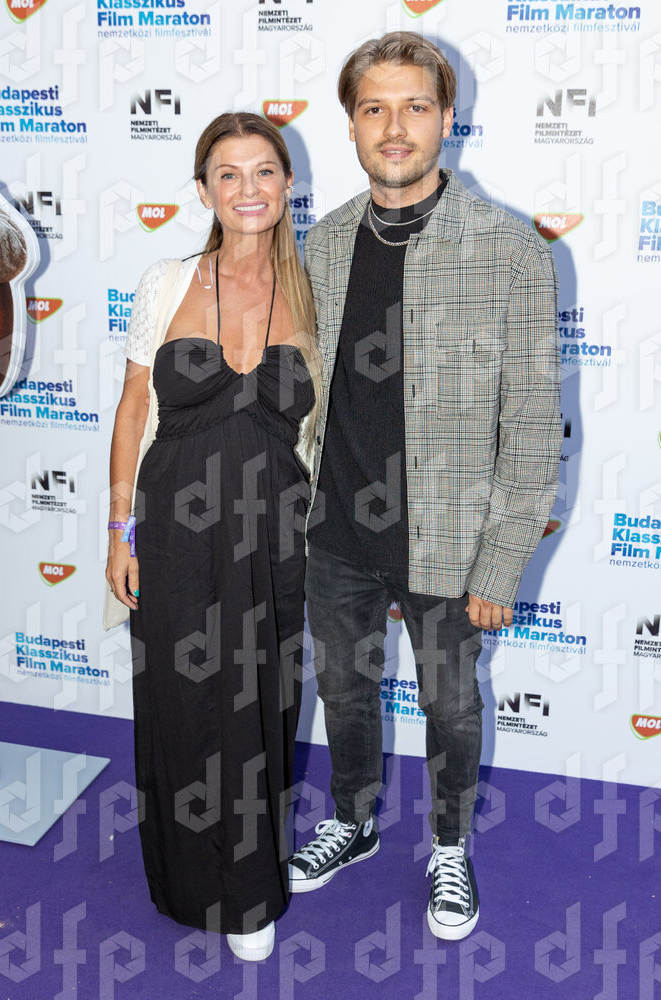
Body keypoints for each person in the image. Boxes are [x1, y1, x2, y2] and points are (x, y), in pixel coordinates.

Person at [288, 33, 562, 941]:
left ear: (447, 118)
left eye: (413, 106)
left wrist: (501, 562)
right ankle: (354, 819)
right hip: (334, 530)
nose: (394, 127)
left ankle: (448, 844)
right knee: (343, 691)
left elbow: (533, 423)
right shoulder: (323, 244)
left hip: (450, 535)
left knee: (450, 704)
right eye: (374, 108)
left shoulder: (509, 250)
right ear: (351, 125)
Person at [106, 112, 319, 961]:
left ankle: (249, 891)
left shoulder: (319, 293)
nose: (246, 188)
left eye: (263, 170)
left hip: (275, 535)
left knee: (260, 703)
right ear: (203, 192)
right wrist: (118, 529)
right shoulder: (166, 281)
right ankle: (187, 877)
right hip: (174, 533)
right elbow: (132, 411)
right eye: (226, 174)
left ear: (287, 184)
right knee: (181, 703)